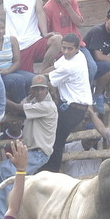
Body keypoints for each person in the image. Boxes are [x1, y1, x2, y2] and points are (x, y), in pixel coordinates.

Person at [0, 75, 56, 219]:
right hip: (30, 151)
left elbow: (17, 108)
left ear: (47, 90)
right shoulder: (33, 100)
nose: (39, 92)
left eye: (42, 89)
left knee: (4, 171)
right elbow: (21, 106)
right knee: (18, 181)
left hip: (38, 153)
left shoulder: (47, 106)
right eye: (36, 89)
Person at [42, 34, 92, 173]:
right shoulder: (79, 56)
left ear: (77, 48)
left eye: (69, 49)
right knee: (55, 139)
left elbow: (46, 74)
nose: (65, 52)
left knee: (57, 141)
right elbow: (56, 66)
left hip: (73, 109)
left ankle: (51, 171)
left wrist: (44, 66)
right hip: (71, 106)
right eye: (63, 48)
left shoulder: (71, 67)